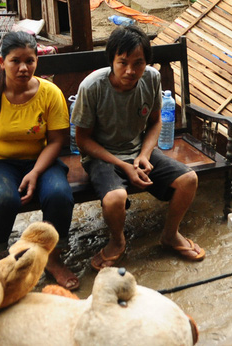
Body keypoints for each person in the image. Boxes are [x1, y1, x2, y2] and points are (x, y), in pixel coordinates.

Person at [72, 25, 204, 271]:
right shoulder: (92, 87)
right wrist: (123, 165)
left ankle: (170, 234)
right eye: (122, 62)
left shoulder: (152, 78)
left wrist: (143, 155)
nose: (131, 71)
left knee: (189, 179)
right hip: (101, 156)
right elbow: (83, 142)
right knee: (116, 197)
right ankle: (118, 241)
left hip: (138, 150)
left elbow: (155, 122)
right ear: (111, 60)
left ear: (146, 63)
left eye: (138, 63)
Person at [0, 30, 79, 290]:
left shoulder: (50, 93)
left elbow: (57, 141)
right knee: (3, 198)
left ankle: (52, 258)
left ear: (37, 61)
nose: (24, 68)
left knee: (58, 194)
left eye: (30, 61)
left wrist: (35, 172)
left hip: (41, 160)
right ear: (2, 62)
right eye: (15, 61)